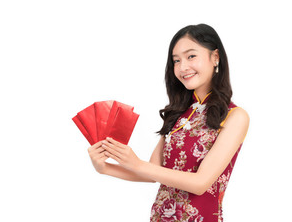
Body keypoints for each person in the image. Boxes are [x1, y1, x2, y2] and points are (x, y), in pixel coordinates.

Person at [87, 23, 250, 222]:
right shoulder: (179, 113)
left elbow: (200, 183)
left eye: (191, 56)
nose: (183, 67)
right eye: (176, 60)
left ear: (215, 57)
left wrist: (136, 163)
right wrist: (105, 168)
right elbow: (154, 172)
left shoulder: (235, 116)